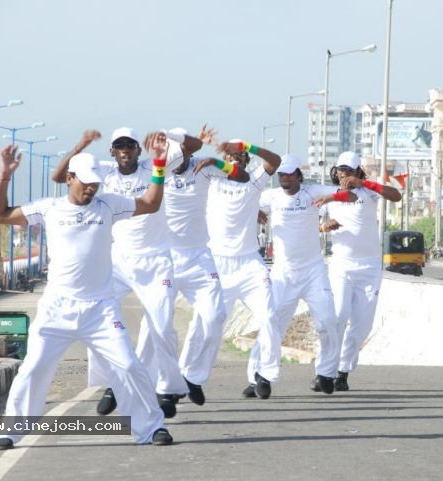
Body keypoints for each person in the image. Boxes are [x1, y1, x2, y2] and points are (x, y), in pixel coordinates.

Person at [0, 140, 172, 449]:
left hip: (100, 309)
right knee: (33, 367)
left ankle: (151, 428)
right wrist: (4, 176)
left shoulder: (110, 204)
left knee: (128, 365)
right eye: (85, 182)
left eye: (95, 183)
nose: (91, 188)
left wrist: (159, 167)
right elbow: (0, 215)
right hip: (57, 308)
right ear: (70, 178)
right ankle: (11, 430)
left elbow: (150, 204)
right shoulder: (49, 208)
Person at [53, 128, 195, 419]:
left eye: (130, 145)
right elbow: (60, 177)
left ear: (138, 150)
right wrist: (81, 145)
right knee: (96, 316)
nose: (125, 150)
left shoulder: (156, 164)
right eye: (119, 146)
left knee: (161, 325)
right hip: (118, 261)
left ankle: (167, 389)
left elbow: (194, 145)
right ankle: (113, 385)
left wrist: (168, 137)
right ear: (112, 152)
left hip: (156, 262)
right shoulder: (103, 172)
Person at [134, 126, 252, 407]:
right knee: (154, 324)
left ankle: (193, 377)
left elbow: (243, 176)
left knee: (214, 316)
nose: (174, 155)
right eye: (169, 152)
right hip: (165, 257)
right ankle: (145, 385)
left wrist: (217, 161)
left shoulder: (204, 168)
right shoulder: (154, 172)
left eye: (179, 149)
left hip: (199, 257)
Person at [254, 154, 357, 394]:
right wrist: (255, 212)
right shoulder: (271, 196)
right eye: (282, 175)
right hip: (283, 272)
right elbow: (246, 203)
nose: (285, 179)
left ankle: (325, 374)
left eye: (290, 175)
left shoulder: (312, 192)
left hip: (313, 271)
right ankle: (263, 375)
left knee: (327, 322)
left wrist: (331, 197)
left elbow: (350, 196)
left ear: (299, 175)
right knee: (273, 324)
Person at [198, 138, 281, 399]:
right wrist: (206, 149)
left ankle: (264, 374)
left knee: (269, 317)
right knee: (209, 323)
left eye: (239, 156)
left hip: (249, 264)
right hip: (218, 264)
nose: (235, 159)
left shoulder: (254, 179)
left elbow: (274, 162)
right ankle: (193, 378)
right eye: (230, 156)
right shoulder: (213, 178)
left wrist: (248, 146)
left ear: (246, 160)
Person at [319, 151, 401, 391]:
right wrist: (323, 226)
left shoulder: (369, 192)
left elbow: (396, 196)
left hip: (369, 267)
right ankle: (325, 370)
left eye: (348, 169)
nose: (343, 173)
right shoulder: (330, 195)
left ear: (357, 172)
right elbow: (309, 222)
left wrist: (364, 184)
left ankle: (342, 372)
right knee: (337, 316)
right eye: (340, 169)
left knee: (361, 324)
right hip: (341, 265)